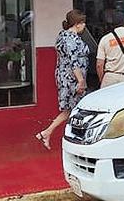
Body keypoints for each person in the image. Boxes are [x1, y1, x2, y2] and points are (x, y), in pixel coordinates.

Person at [37, 10, 89, 150]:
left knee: (70, 109)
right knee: (76, 108)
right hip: (72, 79)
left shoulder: (62, 36)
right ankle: (71, 136)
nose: (84, 26)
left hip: (64, 76)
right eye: (83, 23)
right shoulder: (71, 39)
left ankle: (47, 132)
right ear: (77, 24)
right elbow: (74, 62)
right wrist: (81, 81)